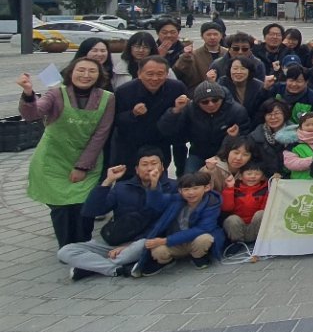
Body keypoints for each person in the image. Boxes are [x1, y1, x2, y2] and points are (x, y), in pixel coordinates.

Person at [19, 59, 116, 248]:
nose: (86, 75)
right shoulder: (56, 94)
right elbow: (32, 114)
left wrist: (82, 166)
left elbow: (101, 134)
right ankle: (66, 247)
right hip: (53, 159)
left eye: (91, 71)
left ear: (99, 76)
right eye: (81, 70)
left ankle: (83, 246)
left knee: (83, 204)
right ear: (71, 72)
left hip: (88, 159)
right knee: (60, 206)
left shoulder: (107, 98)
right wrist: (29, 94)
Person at [57, 147, 177, 280]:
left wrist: (154, 186)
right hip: (115, 239)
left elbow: (164, 220)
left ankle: (90, 267)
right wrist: (107, 182)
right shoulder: (122, 187)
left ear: (162, 167)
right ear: (137, 169)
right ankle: (116, 269)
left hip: (144, 241)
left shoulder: (173, 187)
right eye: (144, 164)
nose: (149, 168)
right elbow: (92, 210)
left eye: (154, 164)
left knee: (140, 247)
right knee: (65, 251)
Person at [131, 171, 223, 276]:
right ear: (180, 191)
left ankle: (198, 257)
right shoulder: (176, 200)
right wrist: (154, 184)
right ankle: (168, 261)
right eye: (186, 189)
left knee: (205, 238)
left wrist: (165, 240)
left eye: (195, 188)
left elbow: (203, 228)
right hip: (175, 242)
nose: (191, 193)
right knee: (157, 251)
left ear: (206, 188)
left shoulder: (212, 202)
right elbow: (156, 203)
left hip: (193, 240)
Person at [111, 56, 187, 177]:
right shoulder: (124, 91)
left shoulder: (177, 88)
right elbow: (115, 121)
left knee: (159, 178)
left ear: (167, 74)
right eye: (149, 74)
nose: (155, 78)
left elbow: (182, 119)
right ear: (139, 73)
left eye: (160, 74)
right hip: (131, 143)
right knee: (129, 180)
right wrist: (133, 114)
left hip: (161, 142)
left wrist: (177, 109)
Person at [156, 81, 250, 176]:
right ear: (197, 103)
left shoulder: (237, 111)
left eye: (215, 100)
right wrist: (176, 111)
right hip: (198, 153)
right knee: (189, 179)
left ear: (222, 98)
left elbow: (244, 138)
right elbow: (167, 130)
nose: (211, 104)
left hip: (226, 155)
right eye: (205, 102)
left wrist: (233, 137)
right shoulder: (189, 109)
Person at [221, 161, 269, 252]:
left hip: (257, 228)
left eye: (257, 174)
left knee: (262, 213)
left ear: (262, 177)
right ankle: (237, 243)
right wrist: (229, 189)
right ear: (240, 176)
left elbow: (265, 208)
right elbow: (227, 208)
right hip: (240, 228)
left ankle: (262, 242)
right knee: (231, 219)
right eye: (249, 173)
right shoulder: (234, 189)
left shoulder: (265, 189)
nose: (252, 176)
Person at [172, 22, 228, 90]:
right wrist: (185, 58)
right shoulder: (193, 55)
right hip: (200, 93)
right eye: (208, 34)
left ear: (221, 35)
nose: (212, 37)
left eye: (215, 34)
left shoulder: (228, 53)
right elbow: (180, 74)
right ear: (202, 36)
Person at [249, 99, 296, 178]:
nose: (273, 117)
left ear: (285, 114)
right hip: (264, 180)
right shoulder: (255, 137)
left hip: (291, 180)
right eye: (269, 114)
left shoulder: (296, 135)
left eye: (277, 113)